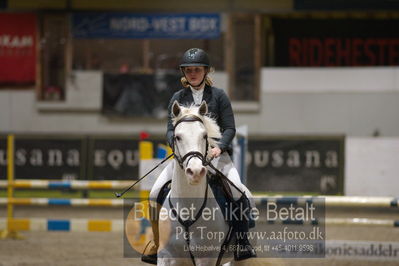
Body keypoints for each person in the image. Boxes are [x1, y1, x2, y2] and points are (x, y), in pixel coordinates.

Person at [141, 48, 256, 264]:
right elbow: (169, 129)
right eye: (189, 70)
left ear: (206, 71)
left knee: (239, 192)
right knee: (154, 193)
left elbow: (230, 128)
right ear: (184, 72)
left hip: (216, 157)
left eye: (197, 70)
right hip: (185, 157)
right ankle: (157, 243)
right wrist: (175, 148)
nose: (193, 73)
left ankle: (242, 242)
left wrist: (219, 147)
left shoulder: (219, 96)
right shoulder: (177, 97)